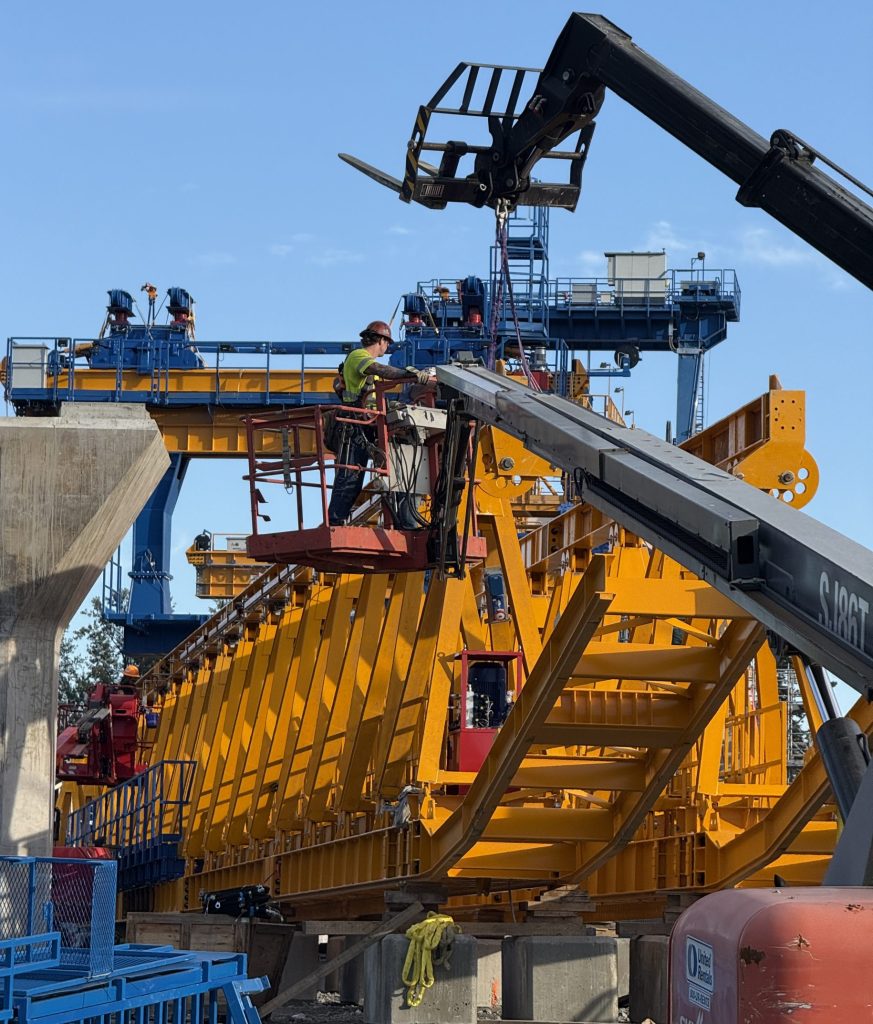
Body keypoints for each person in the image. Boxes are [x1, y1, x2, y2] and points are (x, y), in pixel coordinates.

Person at [328, 320, 429, 527]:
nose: (387, 347)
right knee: (350, 476)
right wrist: (411, 375)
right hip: (354, 424)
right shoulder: (360, 357)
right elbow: (383, 371)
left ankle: (403, 519)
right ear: (381, 340)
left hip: (366, 422)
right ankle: (335, 523)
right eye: (387, 342)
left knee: (386, 471)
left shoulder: (361, 362)